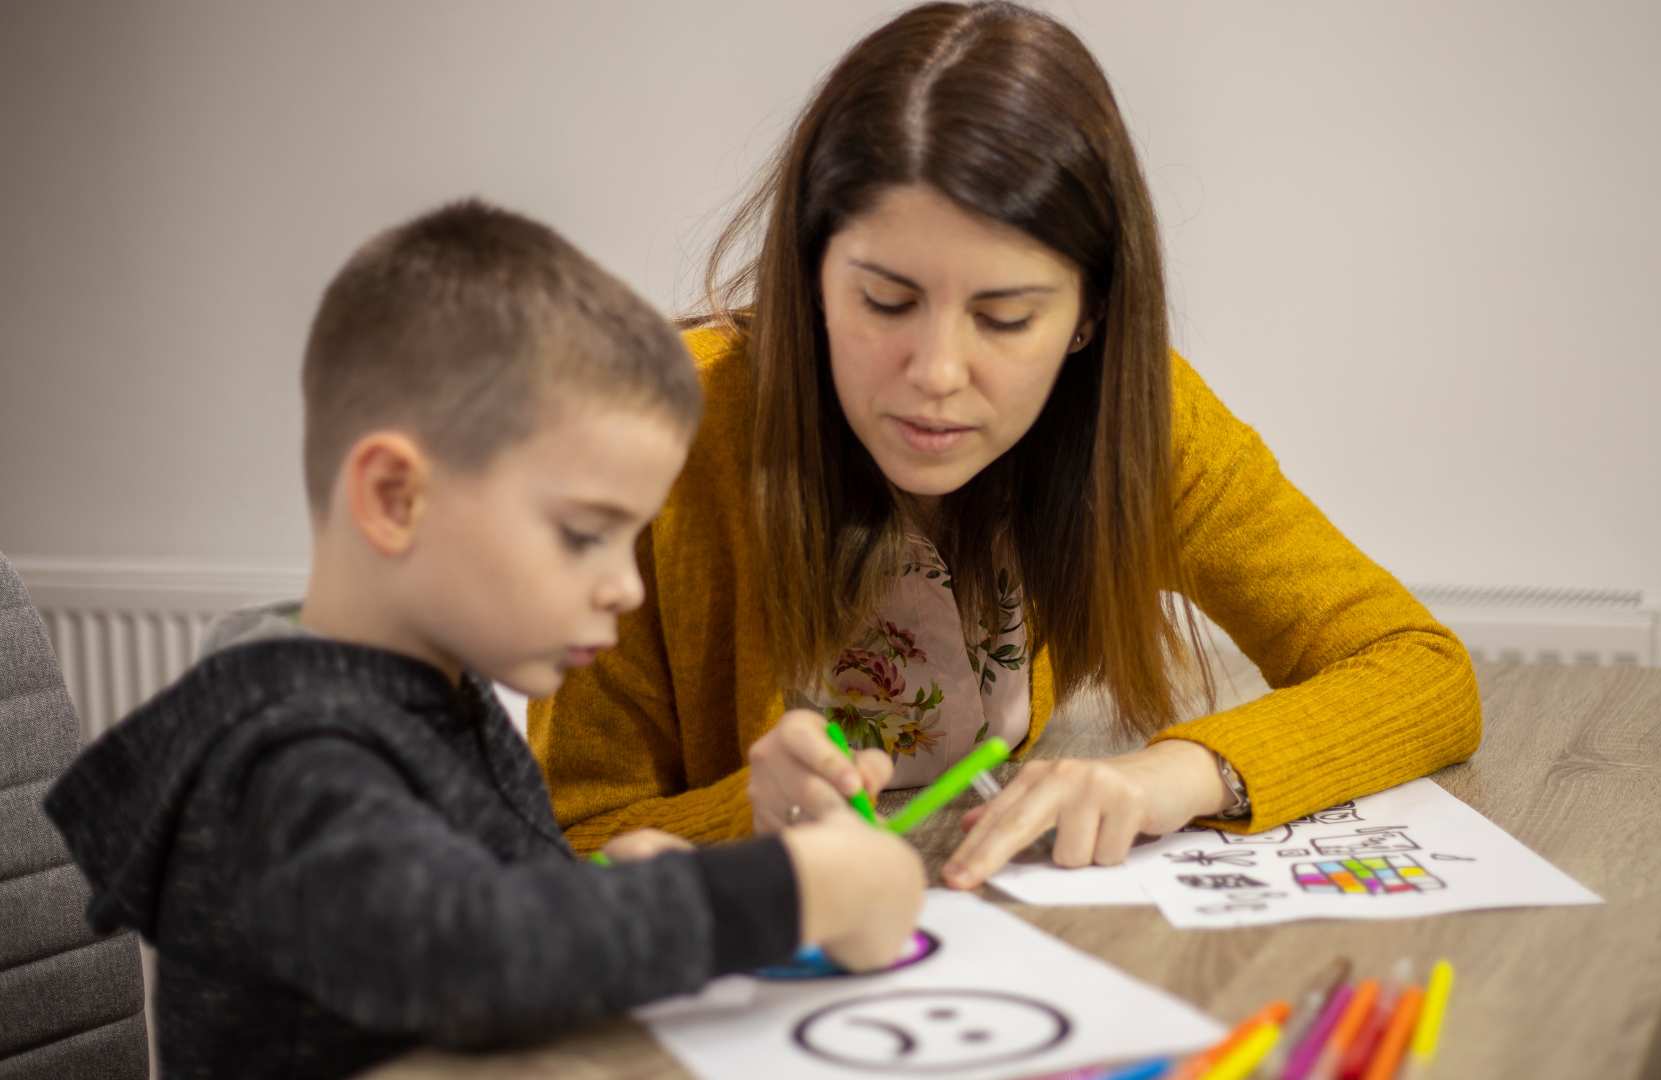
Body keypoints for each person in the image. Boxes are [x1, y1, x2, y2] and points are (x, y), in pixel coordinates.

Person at [532, 0, 1481, 892]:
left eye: (1006, 317)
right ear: (811, 277)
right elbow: (563, 844)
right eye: (886, 303)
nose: (938, 371)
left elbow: (1417, 666)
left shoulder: (1135, 420)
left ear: (1088, 318)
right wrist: (753, 817)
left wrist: (1173, 776)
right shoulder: (662, 435)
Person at [43, 200, 925, 1079]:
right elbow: (475, 949)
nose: (627, 585)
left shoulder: (432, 701)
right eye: (586, 533)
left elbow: (484, 901)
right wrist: (802, 889)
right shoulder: (289, 756)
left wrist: (613, 886)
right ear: (396, 499)